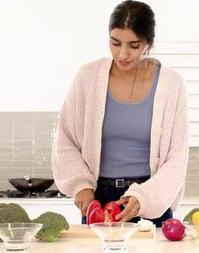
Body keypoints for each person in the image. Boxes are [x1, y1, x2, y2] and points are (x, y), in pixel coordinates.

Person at [52, 0, 189, 227]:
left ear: (148, 43)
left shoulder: (172, 84)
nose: (122, 54)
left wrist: (144, 197)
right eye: (115, 43)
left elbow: (177, 159)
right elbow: (65, 139)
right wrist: (81, 186)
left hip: (151, 201)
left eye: (134, 46)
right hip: (98, 198)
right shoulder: (88, 77)